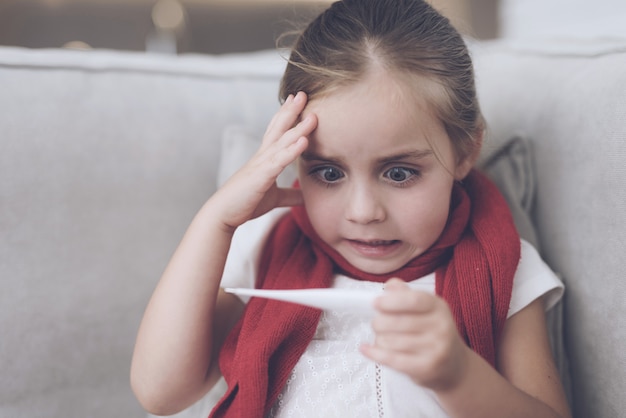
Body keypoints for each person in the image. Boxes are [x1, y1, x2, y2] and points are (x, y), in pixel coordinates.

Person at [131, 0, 572, 417]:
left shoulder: (503, 265)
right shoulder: (262, 248)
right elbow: (161, 392)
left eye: (399, 173)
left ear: (463, 153)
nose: (363, 212)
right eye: (327, 172)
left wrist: (459, 376)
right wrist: (216, 220)